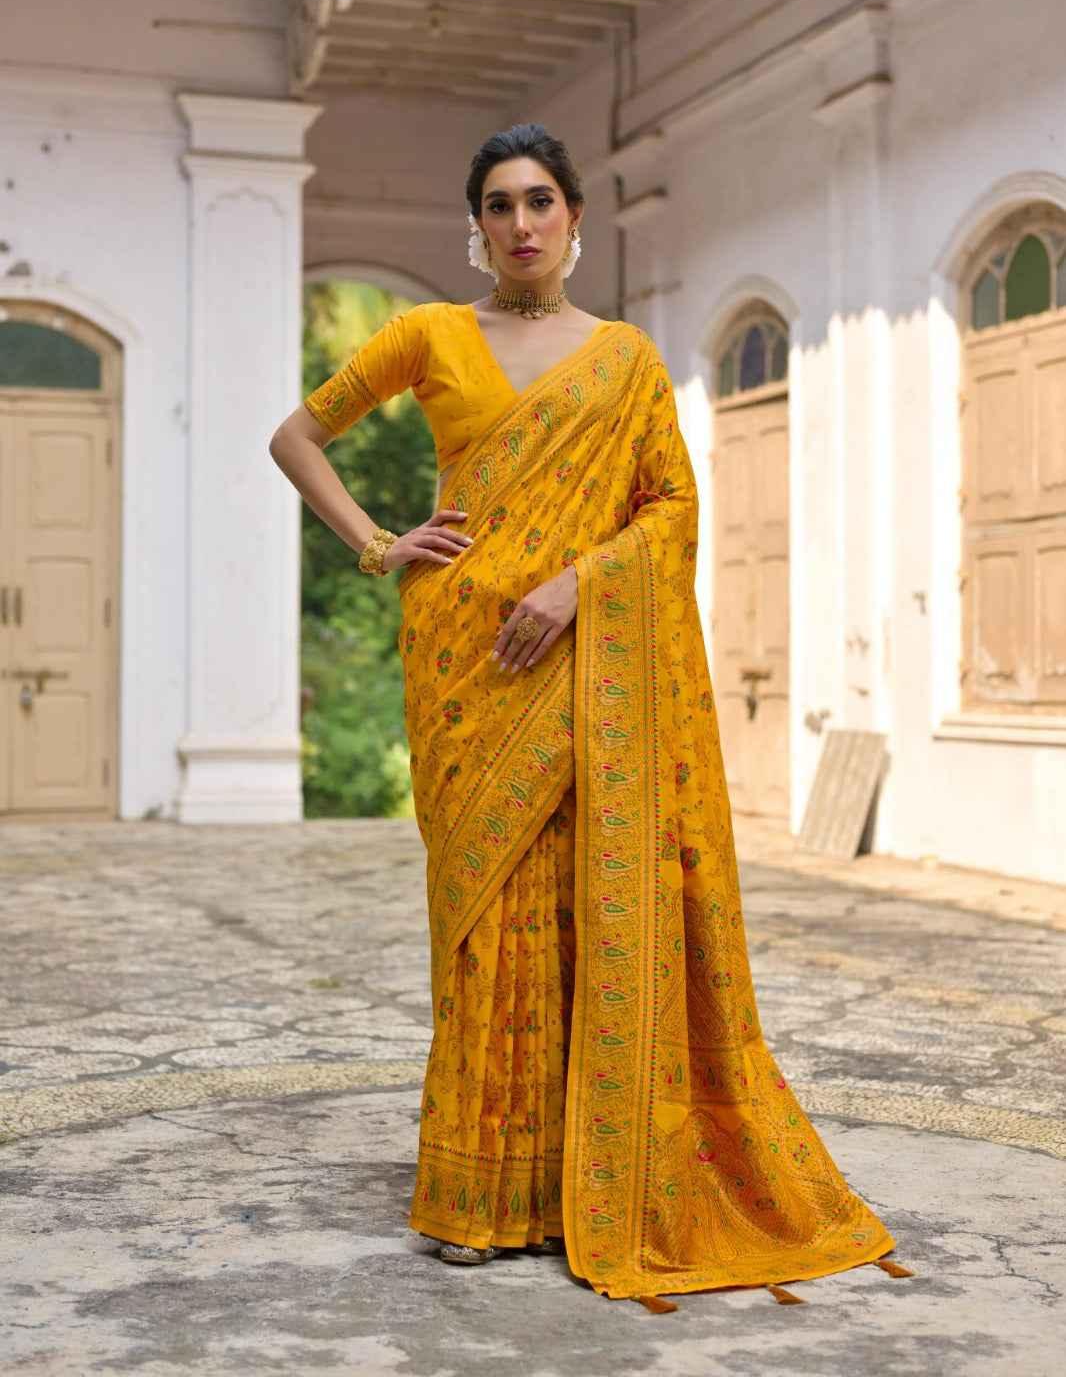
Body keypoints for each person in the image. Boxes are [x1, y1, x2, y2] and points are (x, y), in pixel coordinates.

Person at [269, 123, 910, 1310]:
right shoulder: (426, 335)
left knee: (579, 911)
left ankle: (579, 1176)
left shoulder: (621, 360)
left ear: (574, 218)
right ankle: (475, 1192)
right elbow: (296, 437)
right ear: (476, 225)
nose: (522, 224)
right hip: (464, 657)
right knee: (480, 922)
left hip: (583, 660)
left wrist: (579, 585)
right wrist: (378, 544)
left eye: (542, 202)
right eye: (500, 205)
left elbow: (670, 505)